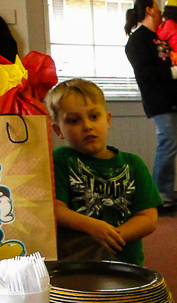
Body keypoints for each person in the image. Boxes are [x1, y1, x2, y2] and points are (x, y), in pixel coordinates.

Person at [45, 78, 161, 265]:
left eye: (94, 117)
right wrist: (92, 227)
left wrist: (111, 236)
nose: (87, 126)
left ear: (107, 119)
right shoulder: (60, 160)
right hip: (78, 263)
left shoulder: (133, 164)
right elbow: (56, 210)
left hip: (127, 263)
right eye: (74, 121)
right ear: (59, 130)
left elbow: (147, 218)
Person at [125, 0, 177, 212]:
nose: (161, 12)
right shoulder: (138, 40)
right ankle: (158, 196)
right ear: (149, 10)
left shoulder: (161, 37)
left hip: (175, 99)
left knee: (171, 145)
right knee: (168, 144)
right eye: (158, 8)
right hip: (157, 100)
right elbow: (145, 72)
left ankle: (164, 194)